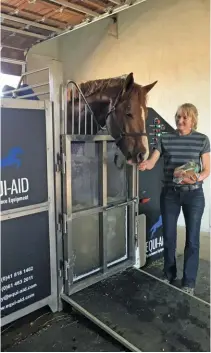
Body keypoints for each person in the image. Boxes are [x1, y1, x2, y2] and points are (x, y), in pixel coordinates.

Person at [139, 103, 210, 295]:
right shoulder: (165, 138)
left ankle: (189, 282)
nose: (180, 120)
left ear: (193, 119)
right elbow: (153, 160)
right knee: (169, 235)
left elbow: (207, 169)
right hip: (170, 194)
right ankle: (169, 274)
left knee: (193, 239)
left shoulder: (202, 140)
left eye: (184, 117)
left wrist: (195, 177)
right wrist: (146, 164)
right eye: (178, 116)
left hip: (194, 194)